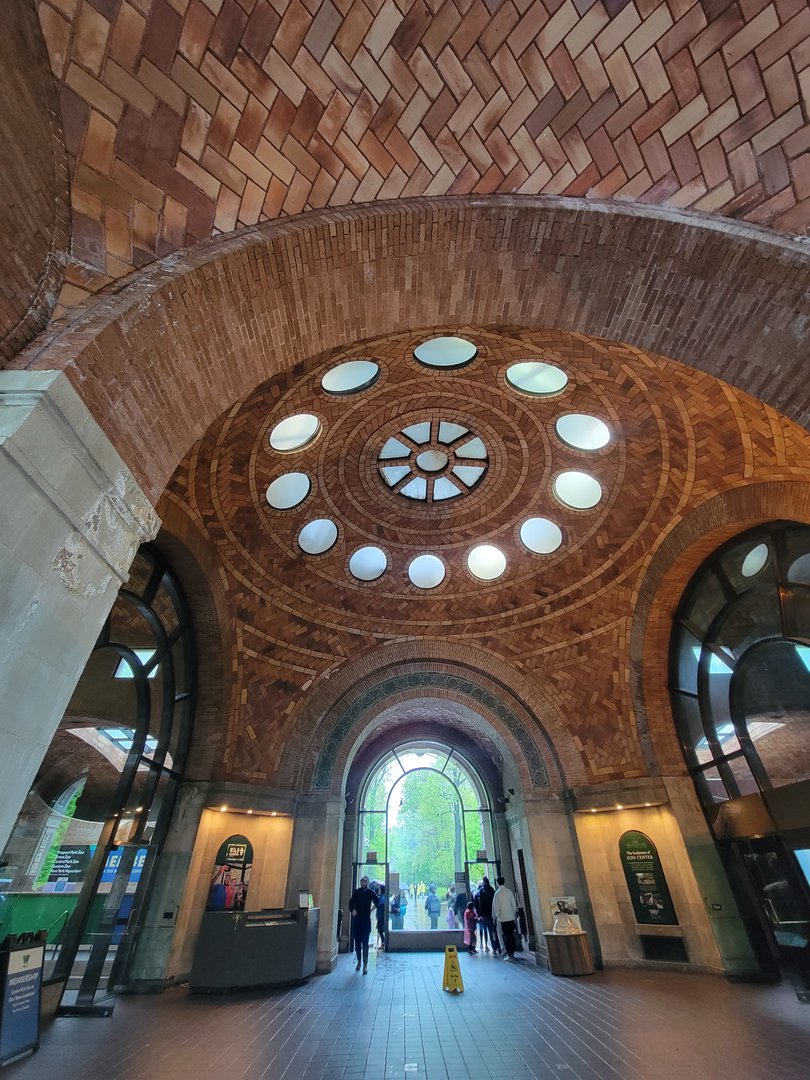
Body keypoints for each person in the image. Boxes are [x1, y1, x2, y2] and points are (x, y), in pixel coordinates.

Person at [349, 874, 379, 974]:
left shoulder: (370, 893)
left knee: (365, 943)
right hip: (357, 920)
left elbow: (378, 901)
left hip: (366, 921)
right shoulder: (357, 892)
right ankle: (359, 961)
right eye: (362, 881)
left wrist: (372, 909)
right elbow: (351, 902)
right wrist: (352, 910)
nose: (363, 883)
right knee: (357, 943)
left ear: (367, 883)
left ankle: (365, 964)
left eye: (365, 881)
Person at [493, 876, 519, 960]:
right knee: (511, 935)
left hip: (503, 919)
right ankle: (513, 952)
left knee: (506, 936)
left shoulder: (497, 894)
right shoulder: (509, 892)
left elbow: (496, 907)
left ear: (497, 883)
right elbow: (514, 904)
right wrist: (513, 912)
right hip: (511, 917)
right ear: (504, 882)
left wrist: (498, 916)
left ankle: (509, 953)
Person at [475, 876, 500, 954]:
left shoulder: (481, 891)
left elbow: (479, 903)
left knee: (487, 930)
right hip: (492, 913)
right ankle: (497, 947)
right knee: (494, 931)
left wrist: (480, 914)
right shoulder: (492, 890)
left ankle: (492, 947)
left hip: (485, 914)